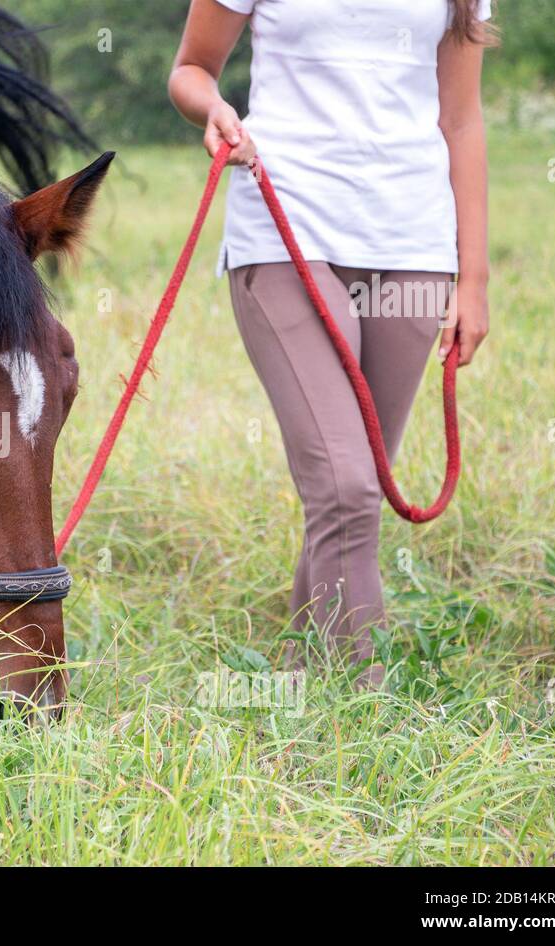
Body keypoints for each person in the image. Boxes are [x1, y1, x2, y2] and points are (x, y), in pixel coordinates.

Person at [169, 0, 495, 682]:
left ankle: (301, 682)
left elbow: (461, 120)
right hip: (284, 229)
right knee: (346, 487)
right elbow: (192, 70)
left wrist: (474, 281)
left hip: (411, 246)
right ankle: (365, 719)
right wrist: (214, 111)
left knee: (349, 493)